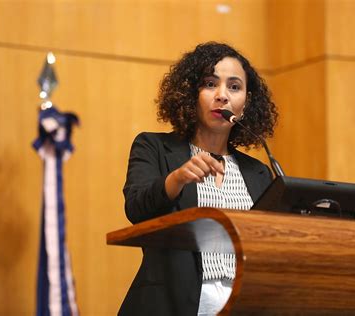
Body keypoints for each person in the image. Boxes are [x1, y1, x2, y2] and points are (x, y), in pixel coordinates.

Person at [119, 42, 278, 316]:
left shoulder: (258, 172)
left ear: (246, 103)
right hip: (172, 304)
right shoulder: (153, 147)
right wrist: (177, 179)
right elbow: (136, 208)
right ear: (190, 93)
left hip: (244, 304)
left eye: (234, 87)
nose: (222, 96)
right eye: (210, 84)